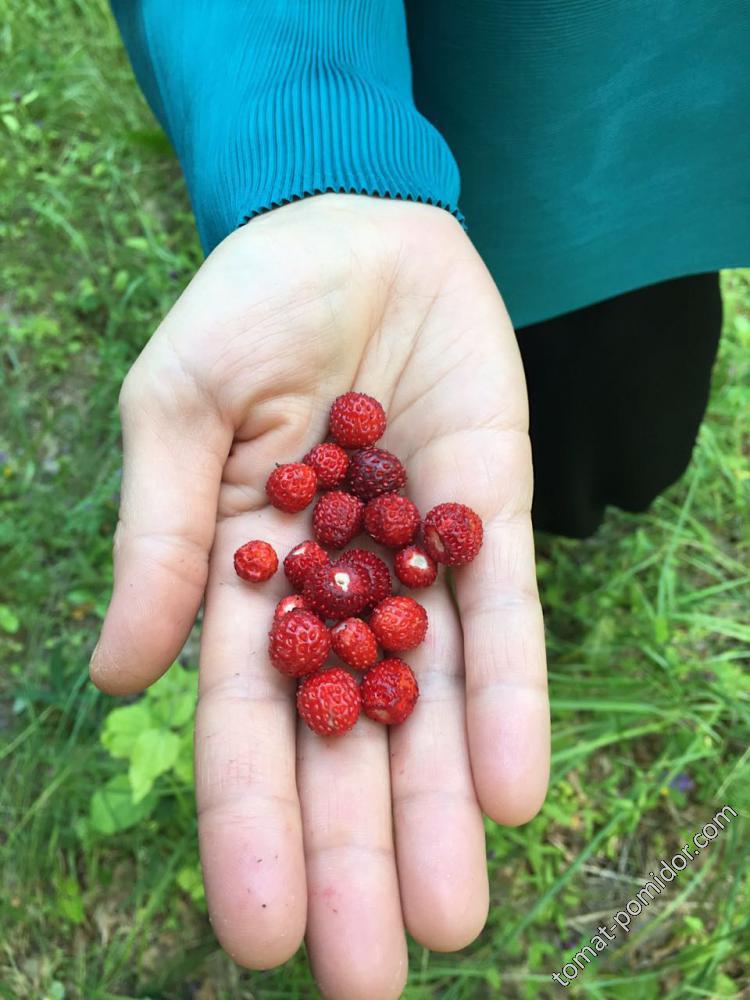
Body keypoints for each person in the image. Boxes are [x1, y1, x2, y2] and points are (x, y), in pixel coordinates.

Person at [89, 3, 749, 998]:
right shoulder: (350, 530)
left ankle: (581, 503)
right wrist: (306, 150)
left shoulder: (373, 534)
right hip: (414, 81)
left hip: (658, 139)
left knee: (608, 413)